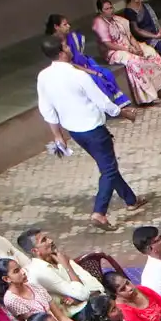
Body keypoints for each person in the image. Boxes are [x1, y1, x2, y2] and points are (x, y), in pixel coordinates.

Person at [37, 35, 138, 229]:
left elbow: (47, 108)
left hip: (75, 132)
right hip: (94, 129)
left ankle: (131, 199)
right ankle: (99, 212)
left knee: (106, 165)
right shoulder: (78, 75)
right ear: (61, 52)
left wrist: (58, 136)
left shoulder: (43, 76)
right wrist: (123, 113)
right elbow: (103, 102)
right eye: (66, 46)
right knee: (108, 169)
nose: (69, 48)